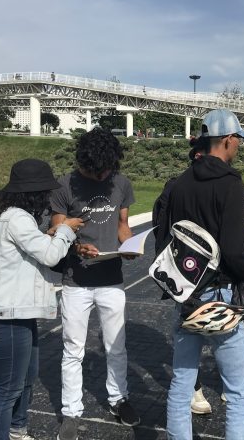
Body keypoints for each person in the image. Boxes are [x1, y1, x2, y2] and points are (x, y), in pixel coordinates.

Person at [161, 109, 244, 439]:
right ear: (227, 140)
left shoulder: (179, 183)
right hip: (220, 299)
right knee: (237, 392)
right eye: (237, 141)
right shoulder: (230, 184)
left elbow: (165, 238)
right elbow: (234, 250)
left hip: (187, 295)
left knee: (180, 387)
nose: (238, 148)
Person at [0, 159, 82, 440]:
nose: (49, 199)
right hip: (8, 317)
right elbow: (49, 256)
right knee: (8, 389)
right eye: (45, 193)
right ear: (35, 193)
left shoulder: (15, 218)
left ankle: (17, 430)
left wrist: (49, 234)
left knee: (26, 379)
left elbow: (33, 249)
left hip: (19, 313)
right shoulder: (17, 218)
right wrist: (66, 229)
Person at [52, 128, 140, 440]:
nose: (103, 175)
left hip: (111, 279)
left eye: (108, 170)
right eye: (97, 171)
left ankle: (118, 399)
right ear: (84, 163)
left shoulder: (121, 182)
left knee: (116, 345)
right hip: (76, 280)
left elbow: (122, 225)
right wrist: (76, 247)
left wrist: (129, 246)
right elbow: (54, 231)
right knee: (73, 349)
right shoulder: (65, 185)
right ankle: (71, 412)